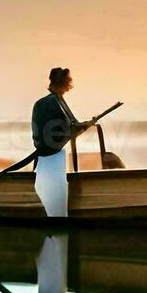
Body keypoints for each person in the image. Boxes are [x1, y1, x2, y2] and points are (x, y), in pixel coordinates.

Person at [31, 67, 86, 218]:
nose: (71, 82)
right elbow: (63, 128)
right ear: (63, 81)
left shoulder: (57, 100)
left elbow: (71, 125)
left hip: (51, 155)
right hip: (51, 157)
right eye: (69, 80)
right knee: (54, 202)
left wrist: (83, 126)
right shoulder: (51, 102)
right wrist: (78, 128)